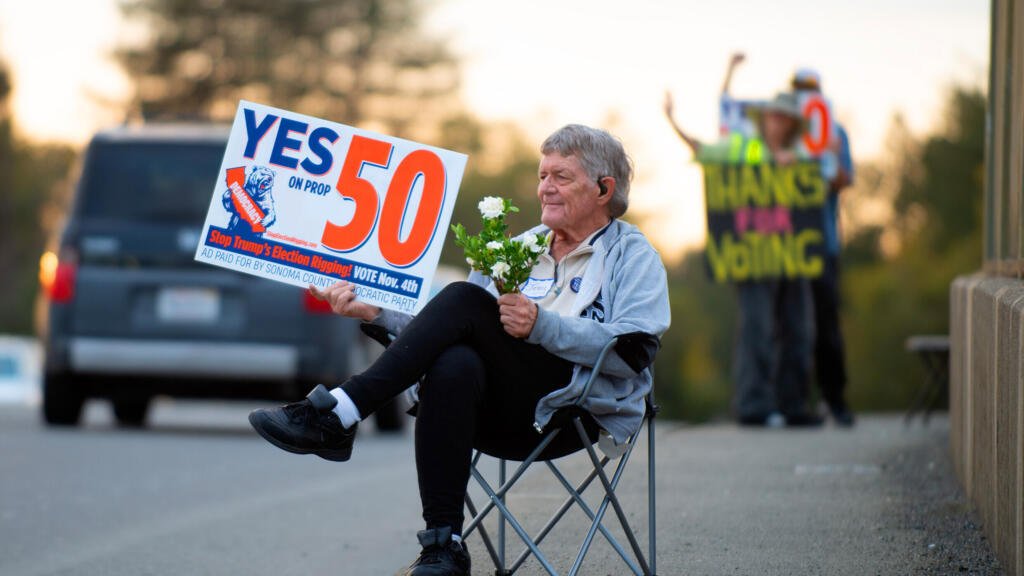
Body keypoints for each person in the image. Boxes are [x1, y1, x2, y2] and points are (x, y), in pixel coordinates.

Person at [248, 124, 671, 576]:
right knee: (453, 360)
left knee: (466, 299)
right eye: (542, 174)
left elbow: (634, 352)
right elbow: (449, 327)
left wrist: (541, 327)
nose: (545, 187)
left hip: (575, 411)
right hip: (496, 412)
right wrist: (375, 314)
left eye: (561, 177)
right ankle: (443, 546)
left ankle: (341, 413)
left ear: (604, 188)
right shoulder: (521, 248)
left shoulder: (633, 254)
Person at [664, 90, 823, 427]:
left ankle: (793, 404)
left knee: (799, 328)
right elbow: (703, 151)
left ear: (793, 123)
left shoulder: (801, 152)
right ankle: (753, 405)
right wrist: (673, 121)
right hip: (751, 258)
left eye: (785, 118)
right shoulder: (742, 147)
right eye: (774, 116)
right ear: (765, 119)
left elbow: (817, 188)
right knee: (757, 327)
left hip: (793, 255)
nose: (778, 123)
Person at [790, 68, 856, 426]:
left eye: (809, 90)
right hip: (784, 248)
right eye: (799, 91)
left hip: (824, 245)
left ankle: (836, 400)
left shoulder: (836, 133)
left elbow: (844, 179)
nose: (804, 96)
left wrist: (826, 158)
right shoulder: (783, 135)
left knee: (827, 326)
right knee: (793, 328)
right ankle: (797, 405)